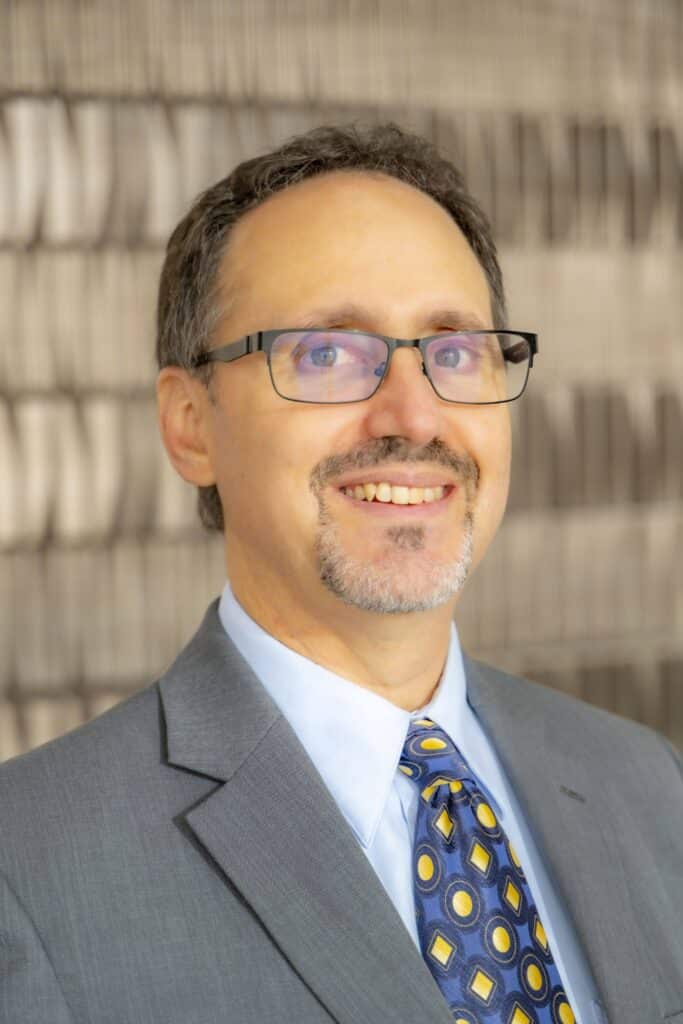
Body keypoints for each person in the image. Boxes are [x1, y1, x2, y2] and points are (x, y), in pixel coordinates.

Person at [0, 123, 681, 1024]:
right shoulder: (27, 869)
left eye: (455, 351)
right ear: (190, 423)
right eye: (326, 354)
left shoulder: (649, 785)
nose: (413, 414)